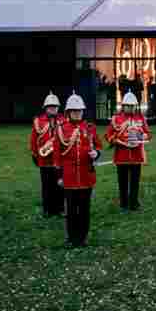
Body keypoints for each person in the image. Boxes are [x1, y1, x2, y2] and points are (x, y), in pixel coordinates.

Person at [54, 93, 102, 247]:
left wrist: (97, 154)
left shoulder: (90, 128)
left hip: (86, 175)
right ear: (68, 112)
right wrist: (59, 176)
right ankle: (71, 237)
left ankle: (83, 237)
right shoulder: (61, 129)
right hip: (69, 176)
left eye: (79, 110)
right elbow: (56, 155)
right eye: (74, 110)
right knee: (71, 210)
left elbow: (98, 145)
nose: (77, 113)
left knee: (84, 209)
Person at [105, 90, 151, 212]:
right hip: (122, 155)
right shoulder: (116, 119)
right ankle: (124, 203)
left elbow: (148, 134)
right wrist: (115, 140)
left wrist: (141, 137)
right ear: (123, 106)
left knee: (135, 181)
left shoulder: (140, 118)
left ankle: (134, 202)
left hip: (136, 155)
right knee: (123, 181)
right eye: (127, 106)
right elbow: (108, 135)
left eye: (132, 106)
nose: (130, 108)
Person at [30, 91, 64, 217]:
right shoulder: (38, 121)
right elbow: (33, 139)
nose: (52, 109)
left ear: (58, 108)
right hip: (44, 159)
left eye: (54, 107)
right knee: (46, 186)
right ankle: (47, 210)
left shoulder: (64, 120)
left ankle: (60, 209)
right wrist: (34, 154)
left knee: (60, 185)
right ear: (45, 108)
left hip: (60, 159)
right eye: (50, 107)